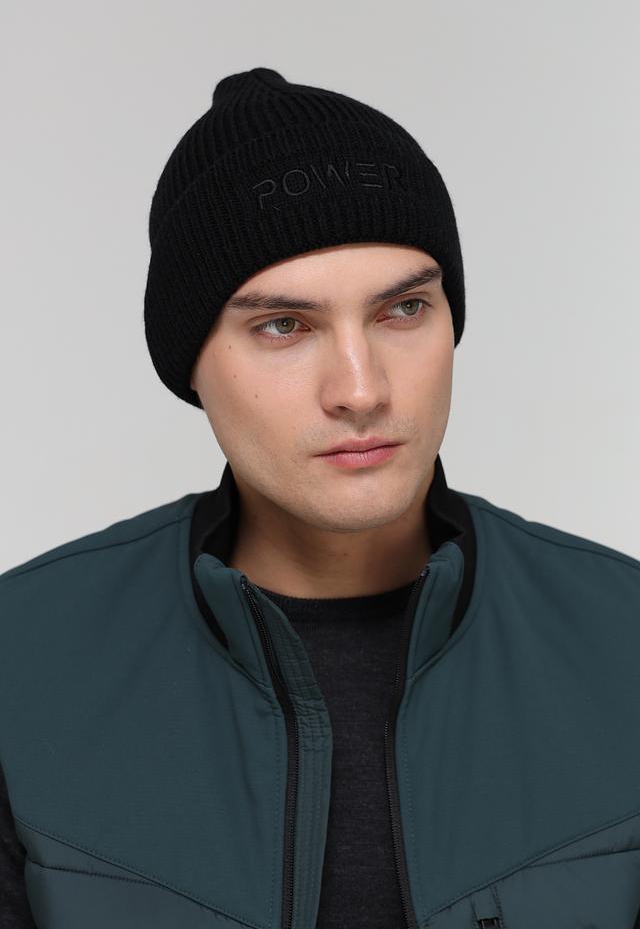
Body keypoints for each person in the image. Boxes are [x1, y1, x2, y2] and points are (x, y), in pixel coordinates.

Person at [1, 67, 638, 929]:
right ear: (189, 363)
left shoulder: (623, 641)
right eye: (283, 326)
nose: (361, 389)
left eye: (402, 310)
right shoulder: (22, 663)